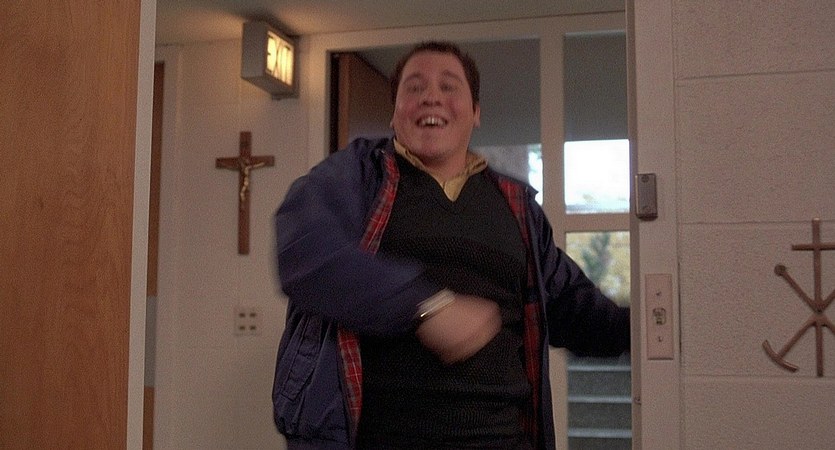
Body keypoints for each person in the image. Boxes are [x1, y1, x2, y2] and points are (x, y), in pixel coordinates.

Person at [272, 41, 630, 449]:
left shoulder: (517, 207)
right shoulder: (353, 175)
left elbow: (575, 310)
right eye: (414, 87)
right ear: (394, 112)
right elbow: (305, 250)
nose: (431, 97)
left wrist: (652, 325)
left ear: (475, 112)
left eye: (448, 86)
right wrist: (425, 305)